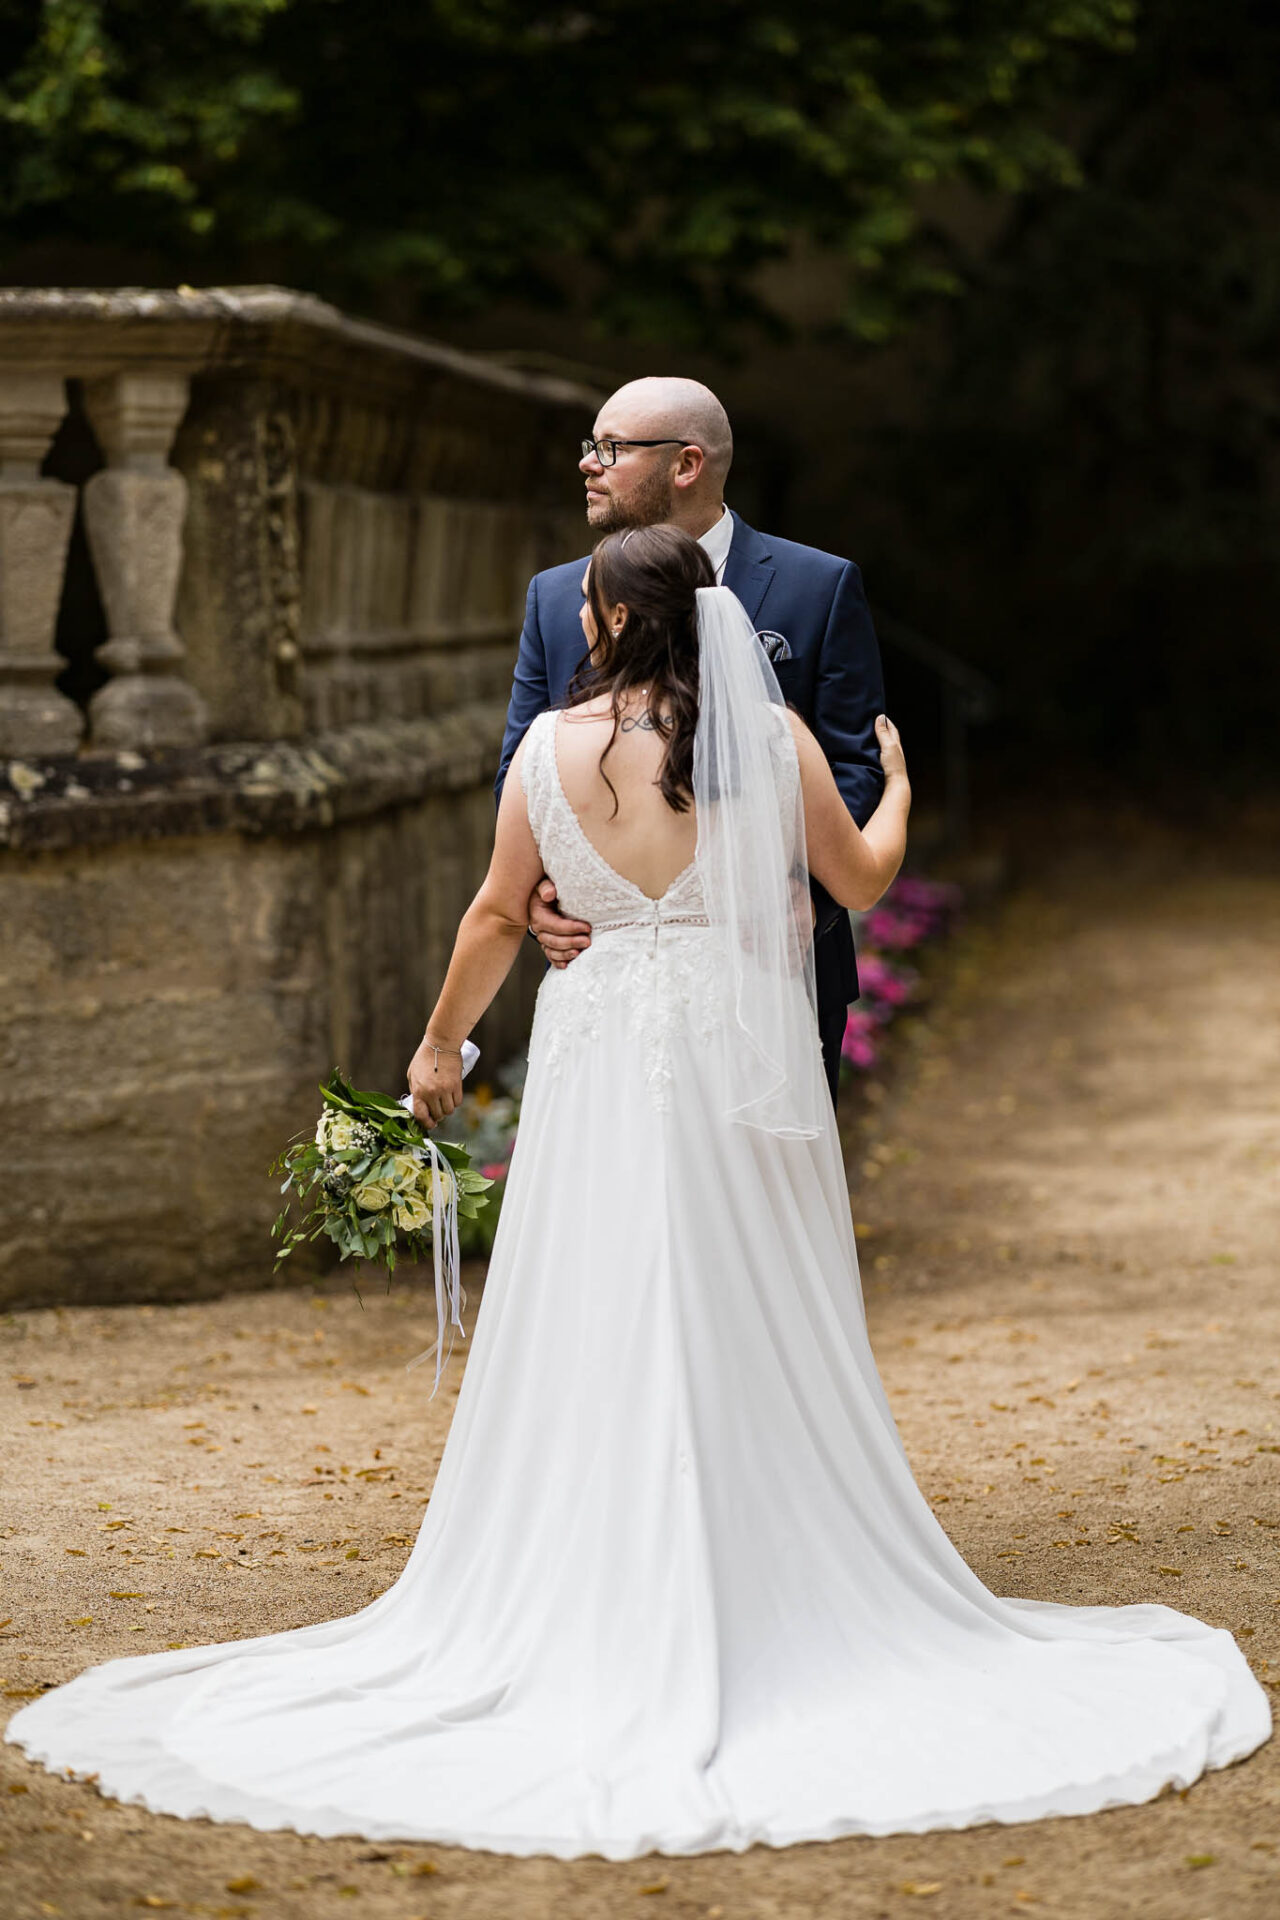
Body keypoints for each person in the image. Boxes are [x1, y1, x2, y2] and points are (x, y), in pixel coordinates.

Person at [7, 524, 1267, 1857]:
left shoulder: (551, 752)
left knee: (597, 1291)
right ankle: (762, 1553)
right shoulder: (770, 745)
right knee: (745, 1289)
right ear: (710, 622)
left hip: (604, 1058)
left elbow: (498, 916)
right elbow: (865, 881)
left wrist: (440, 1047)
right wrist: (893, 782)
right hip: (733, 1051)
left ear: (607, 621)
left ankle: (590, 1572)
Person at [498, 375, 886, 1103]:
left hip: (781, 964)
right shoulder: (557, 596)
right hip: (611, 981)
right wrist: (539, 894)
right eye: (592, 446)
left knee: (773, 1206)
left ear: (685, 465)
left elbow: (853, 764)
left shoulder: (817, 586)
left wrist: (805, 894)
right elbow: (520, 765)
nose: (588, 462)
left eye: (610, 448)